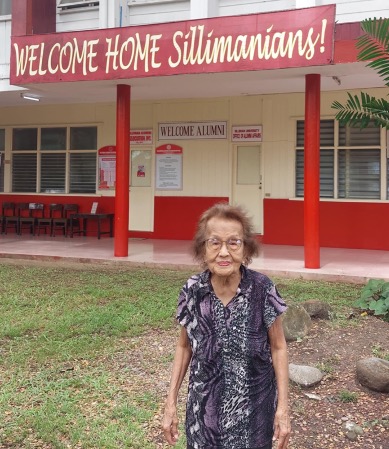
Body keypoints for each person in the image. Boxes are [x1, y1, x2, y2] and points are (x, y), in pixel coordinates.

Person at [162, 203, 291, 449]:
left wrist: (283, 409)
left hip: (255, 415)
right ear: (202, 249)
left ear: (246, 249)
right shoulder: (192, 290)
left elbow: (279, 348)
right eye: (214, 242)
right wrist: (170, 403)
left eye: (234, 242)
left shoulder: (263, 289)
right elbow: (184, 346)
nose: (224, 252)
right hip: (204, 417)